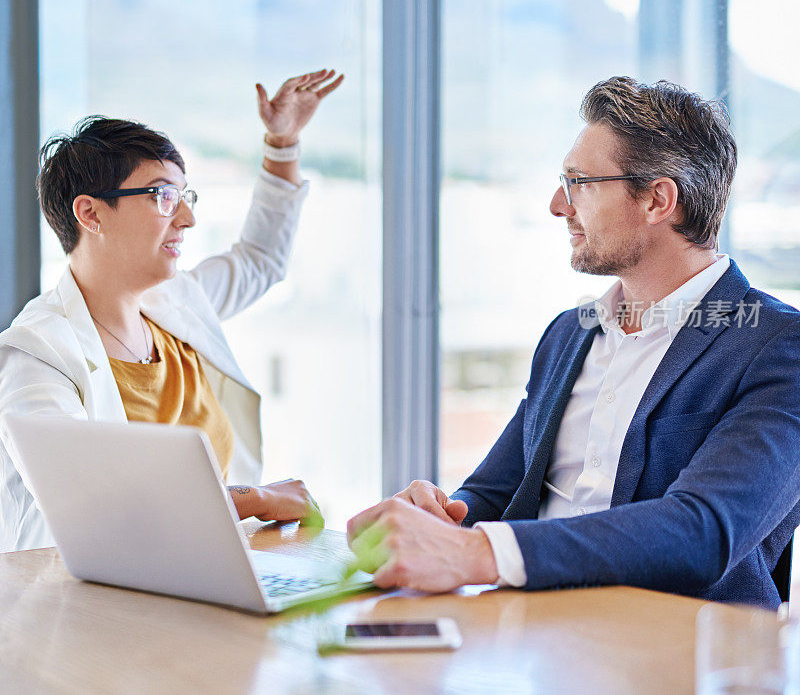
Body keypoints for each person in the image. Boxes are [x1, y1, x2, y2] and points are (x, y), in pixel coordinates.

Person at [347, 76, 800, 609]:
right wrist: (443, 517)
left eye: (579, 181)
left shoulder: (776, 346)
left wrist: (475, 554)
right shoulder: (570, 332)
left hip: (674, 657)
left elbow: (704, 531)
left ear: (658, 199)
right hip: (529, 639)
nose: (557, 204)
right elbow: (496, 493)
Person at [0, 69, 344, 552]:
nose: (187, 218)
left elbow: (261, 259)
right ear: (91, 213)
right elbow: (87, 506)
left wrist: (282, 145)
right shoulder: (35, 354)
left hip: (210, 576)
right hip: (92, 609)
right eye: (163, 196)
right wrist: (258, 499)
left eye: (185, 196)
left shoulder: (176, 305)